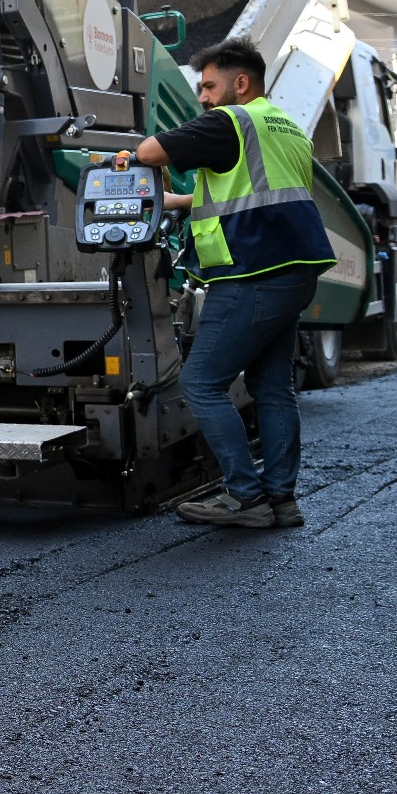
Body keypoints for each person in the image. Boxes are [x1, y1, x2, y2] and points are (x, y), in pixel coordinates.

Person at [121, 39, 336, 531]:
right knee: (273, 388)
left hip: (250, 276)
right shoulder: (284, 127)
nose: (203, 98)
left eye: (209, 86)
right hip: (292, 272)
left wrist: (131, 162)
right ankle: (281, 499)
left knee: (201, 383)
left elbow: (149, 151)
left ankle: (245, 497)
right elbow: (233, 194)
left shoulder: (230, 121)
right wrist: (170, 201)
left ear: (241, 83)